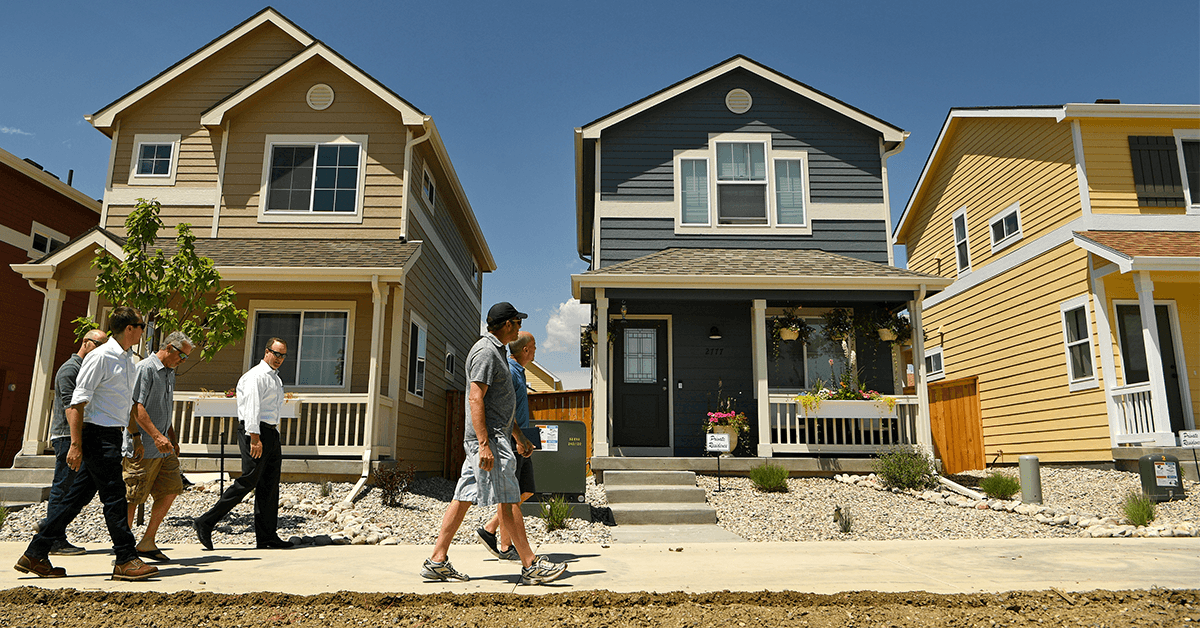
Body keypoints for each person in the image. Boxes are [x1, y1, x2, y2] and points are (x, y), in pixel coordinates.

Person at [420, 303, 566, 586]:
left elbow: (498, 404)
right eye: (517, 322)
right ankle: (530, 565)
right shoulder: (486, 352)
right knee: (509, 498)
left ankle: (436, 561)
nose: (520, 327)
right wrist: (485, 444)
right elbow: (476, 398)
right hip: (489, 442)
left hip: (494, 436)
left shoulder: (496, 351)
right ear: (508, 325)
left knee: (462, 497)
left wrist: (519, 437)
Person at [14, 306, 158, 581]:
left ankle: (35, 553)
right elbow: (77, 402)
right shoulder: (100, 357)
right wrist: (76, 444)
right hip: (95, 435)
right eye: (141, 326)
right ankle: (125, 558)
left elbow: (124, 403)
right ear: (129, 329)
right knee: (115, 497)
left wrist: (135, 435)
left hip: (112, 434)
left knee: (75, 499)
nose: (143, 330)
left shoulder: (128, 360)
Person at [193, 338, 293, 551]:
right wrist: (255, 438)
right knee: (248, 480)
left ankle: (267, 536)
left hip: (270, 433)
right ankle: (206, 522)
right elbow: (251, 408)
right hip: (254, 433)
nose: (279, 359)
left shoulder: (274, 378)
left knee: (269, 484)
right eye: (276, 354)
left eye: (283, 356)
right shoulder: (255, 377)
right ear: (266, 352)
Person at [36, 328, 108, 556]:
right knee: (64, 487)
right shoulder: (70, 370)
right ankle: (54, 540)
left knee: (80, 490)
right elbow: (71, 407)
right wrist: (75, 444)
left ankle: (50, 528)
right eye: (99, 345)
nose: (101, 351)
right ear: (86, 343)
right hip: (68, 437)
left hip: (81, 436)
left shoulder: (89, 369)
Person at [123, 331, 193, 562]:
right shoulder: (146, 368)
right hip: (142, 445)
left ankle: (147, 542)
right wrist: (154, 436)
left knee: (172, 488)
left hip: (163, 446)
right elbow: (136, 407)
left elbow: (164, 408)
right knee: (133, 497)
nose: (183, 361)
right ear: (170, 348)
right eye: (182, 356)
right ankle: (124, 550)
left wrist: (171, 436)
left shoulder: (170, 373)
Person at [476, 330, 538, 560]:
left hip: (522, 438)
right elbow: (503, 409)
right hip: (511, 440)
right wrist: (516, 438)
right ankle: (504, 546)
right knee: (509, 494)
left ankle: (490, 529)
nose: (535, 351)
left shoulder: (520, 372)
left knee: (525, 490)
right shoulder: (511, 372)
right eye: (534, 347)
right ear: (525, 350)